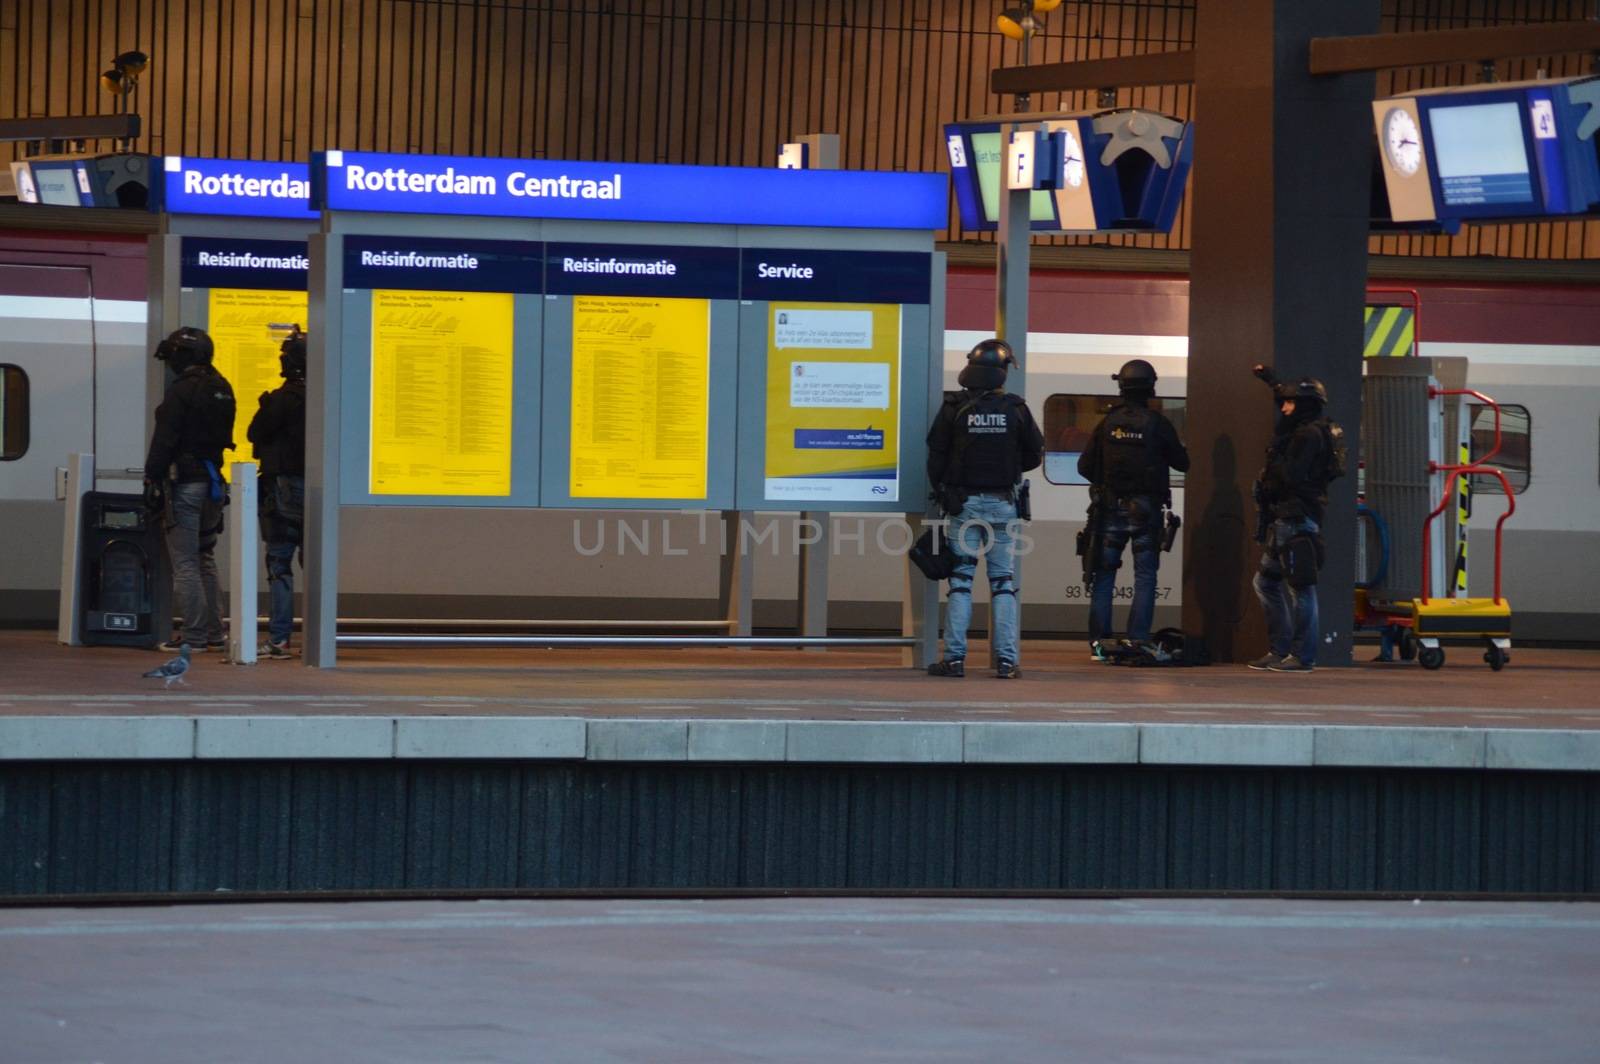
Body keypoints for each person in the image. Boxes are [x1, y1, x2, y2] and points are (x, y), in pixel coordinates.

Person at [924, 338, 1044, 679]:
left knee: (961, 581)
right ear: (1000, 372)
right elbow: (1035, 454)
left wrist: (943, 491)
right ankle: (1007, 661)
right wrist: (1008, 467)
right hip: (1004, 504)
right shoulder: (1016, 408)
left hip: (964, 504)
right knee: (1003, 582)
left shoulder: (953, 407)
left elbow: (936, 454)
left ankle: (955, 659)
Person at [1077, 359, 1189, 660]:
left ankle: (1099, 644)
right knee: (1145, 576)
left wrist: (1107, 482)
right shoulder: (1158, 424)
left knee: (1103, 576)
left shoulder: (1107, 423)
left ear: (1121, 387)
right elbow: (1183, 463)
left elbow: (1084, 466)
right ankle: (1137, 640)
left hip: (1109, 510)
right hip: (1147, 511)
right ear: (1151, 388)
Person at [143, 327, 236, 653]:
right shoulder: (222, 387)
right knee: (204, 558)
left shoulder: (181, 391)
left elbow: (165, 439)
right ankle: (214, 634)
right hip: (213, 483)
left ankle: (194, 638)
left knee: (184, 563)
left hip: (185, 484)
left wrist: (151, 477)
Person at [1249, 373, 1338, 672]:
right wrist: (1271, 381)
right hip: (1289, 518)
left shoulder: (1307, 436)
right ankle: (1281, 649)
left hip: (1297, 518)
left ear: (1304, 406)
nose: (1284, 408)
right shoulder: (1308, 431)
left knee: (1300, 587)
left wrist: (1272, 473)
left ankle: (1302, 656)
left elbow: (1292, 475)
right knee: (1265, 581)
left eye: (1290, 403)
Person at [247, 329, 308, 659]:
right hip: (314, 491)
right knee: (313, 565)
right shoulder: (323, 398)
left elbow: (254, 432)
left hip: (282, 489)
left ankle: (280, 639)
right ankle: (315, 638)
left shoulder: (283, 399)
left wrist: (265, 404)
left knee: (280, 565)